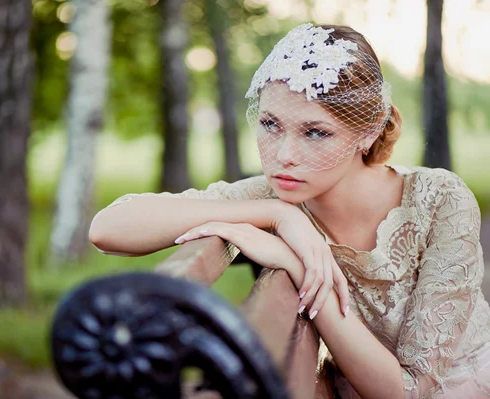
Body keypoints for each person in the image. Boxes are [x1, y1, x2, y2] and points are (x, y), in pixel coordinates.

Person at [89, 23, 490, 398]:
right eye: (270, 124)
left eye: (315, 132)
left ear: (368, 132)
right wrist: (278, 215)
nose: (284, 156)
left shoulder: (439, 198)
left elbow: (409, 391)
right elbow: (107, 228)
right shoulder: (277, 195)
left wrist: (296, 265)